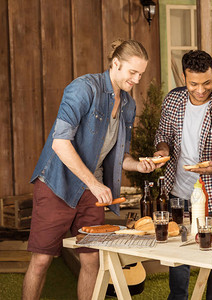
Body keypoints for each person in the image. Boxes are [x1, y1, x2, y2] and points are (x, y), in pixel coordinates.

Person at [23, 39, 157, 300]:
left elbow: (120, 155)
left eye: (141, 74)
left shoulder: (128, 104)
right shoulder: (83, 88)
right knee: (41, 260)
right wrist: (95, 184)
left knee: (92, 261)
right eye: (133, 72)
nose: (137, 79)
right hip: (56, 184)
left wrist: (138, 165)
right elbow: (60, 143)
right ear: (115, 64)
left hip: (90, 193)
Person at [154, 50, 212, 300]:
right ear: (184, 77)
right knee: (178, 254)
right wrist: (162, 151)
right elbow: (163, 135)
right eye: (193, 84)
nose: (200, 90)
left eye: (207, 83)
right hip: (178, 191)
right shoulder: (173, 100)